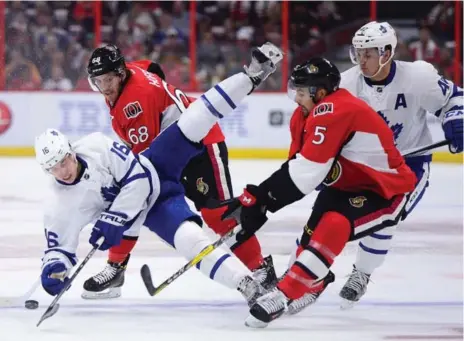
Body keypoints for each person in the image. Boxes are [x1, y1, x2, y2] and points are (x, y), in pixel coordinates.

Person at [37, 43, 283, 310]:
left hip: (199, 147)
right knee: (130, 202)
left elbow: (143, 173)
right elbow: (152, 68)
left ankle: (261, 268)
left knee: (217, 215)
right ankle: (116, 266)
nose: (104, 87)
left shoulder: (132, 105)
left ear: (120, 73)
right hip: (169, 146)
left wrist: (121, 210)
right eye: (98, 81)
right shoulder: (131, 73)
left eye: (108, 79)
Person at [217, 57, 417, 328]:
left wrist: (262, 200)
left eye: (301, 91)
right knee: (308, 241)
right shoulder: (303, 116)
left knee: (334, 225)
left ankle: (283, 294)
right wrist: (259, 202)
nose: (296, 97)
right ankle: (316, 281)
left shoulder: (336, 109)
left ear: (320, 92)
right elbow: (297, 166)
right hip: (343, 187)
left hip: (384, 191)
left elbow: (305, 173)